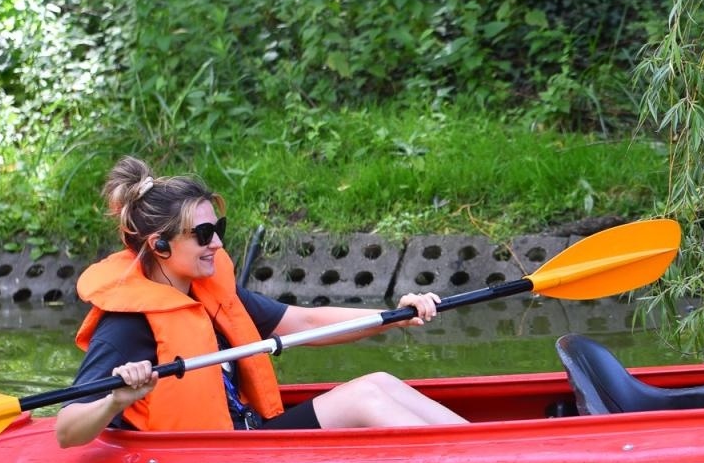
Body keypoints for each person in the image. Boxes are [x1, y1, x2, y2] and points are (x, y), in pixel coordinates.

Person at [55, 156, 467, 447]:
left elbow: (305, 323)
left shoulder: (211, 294)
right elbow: (67, 430)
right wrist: (116, 400)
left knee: (378, 382)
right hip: (205, 461)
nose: (216, 243)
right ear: (159, 245)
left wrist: (395, 317)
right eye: (202, 235)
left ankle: (489, 452)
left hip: (248, 438)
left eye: (218, 229)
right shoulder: (126, 325)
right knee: (365, 399)